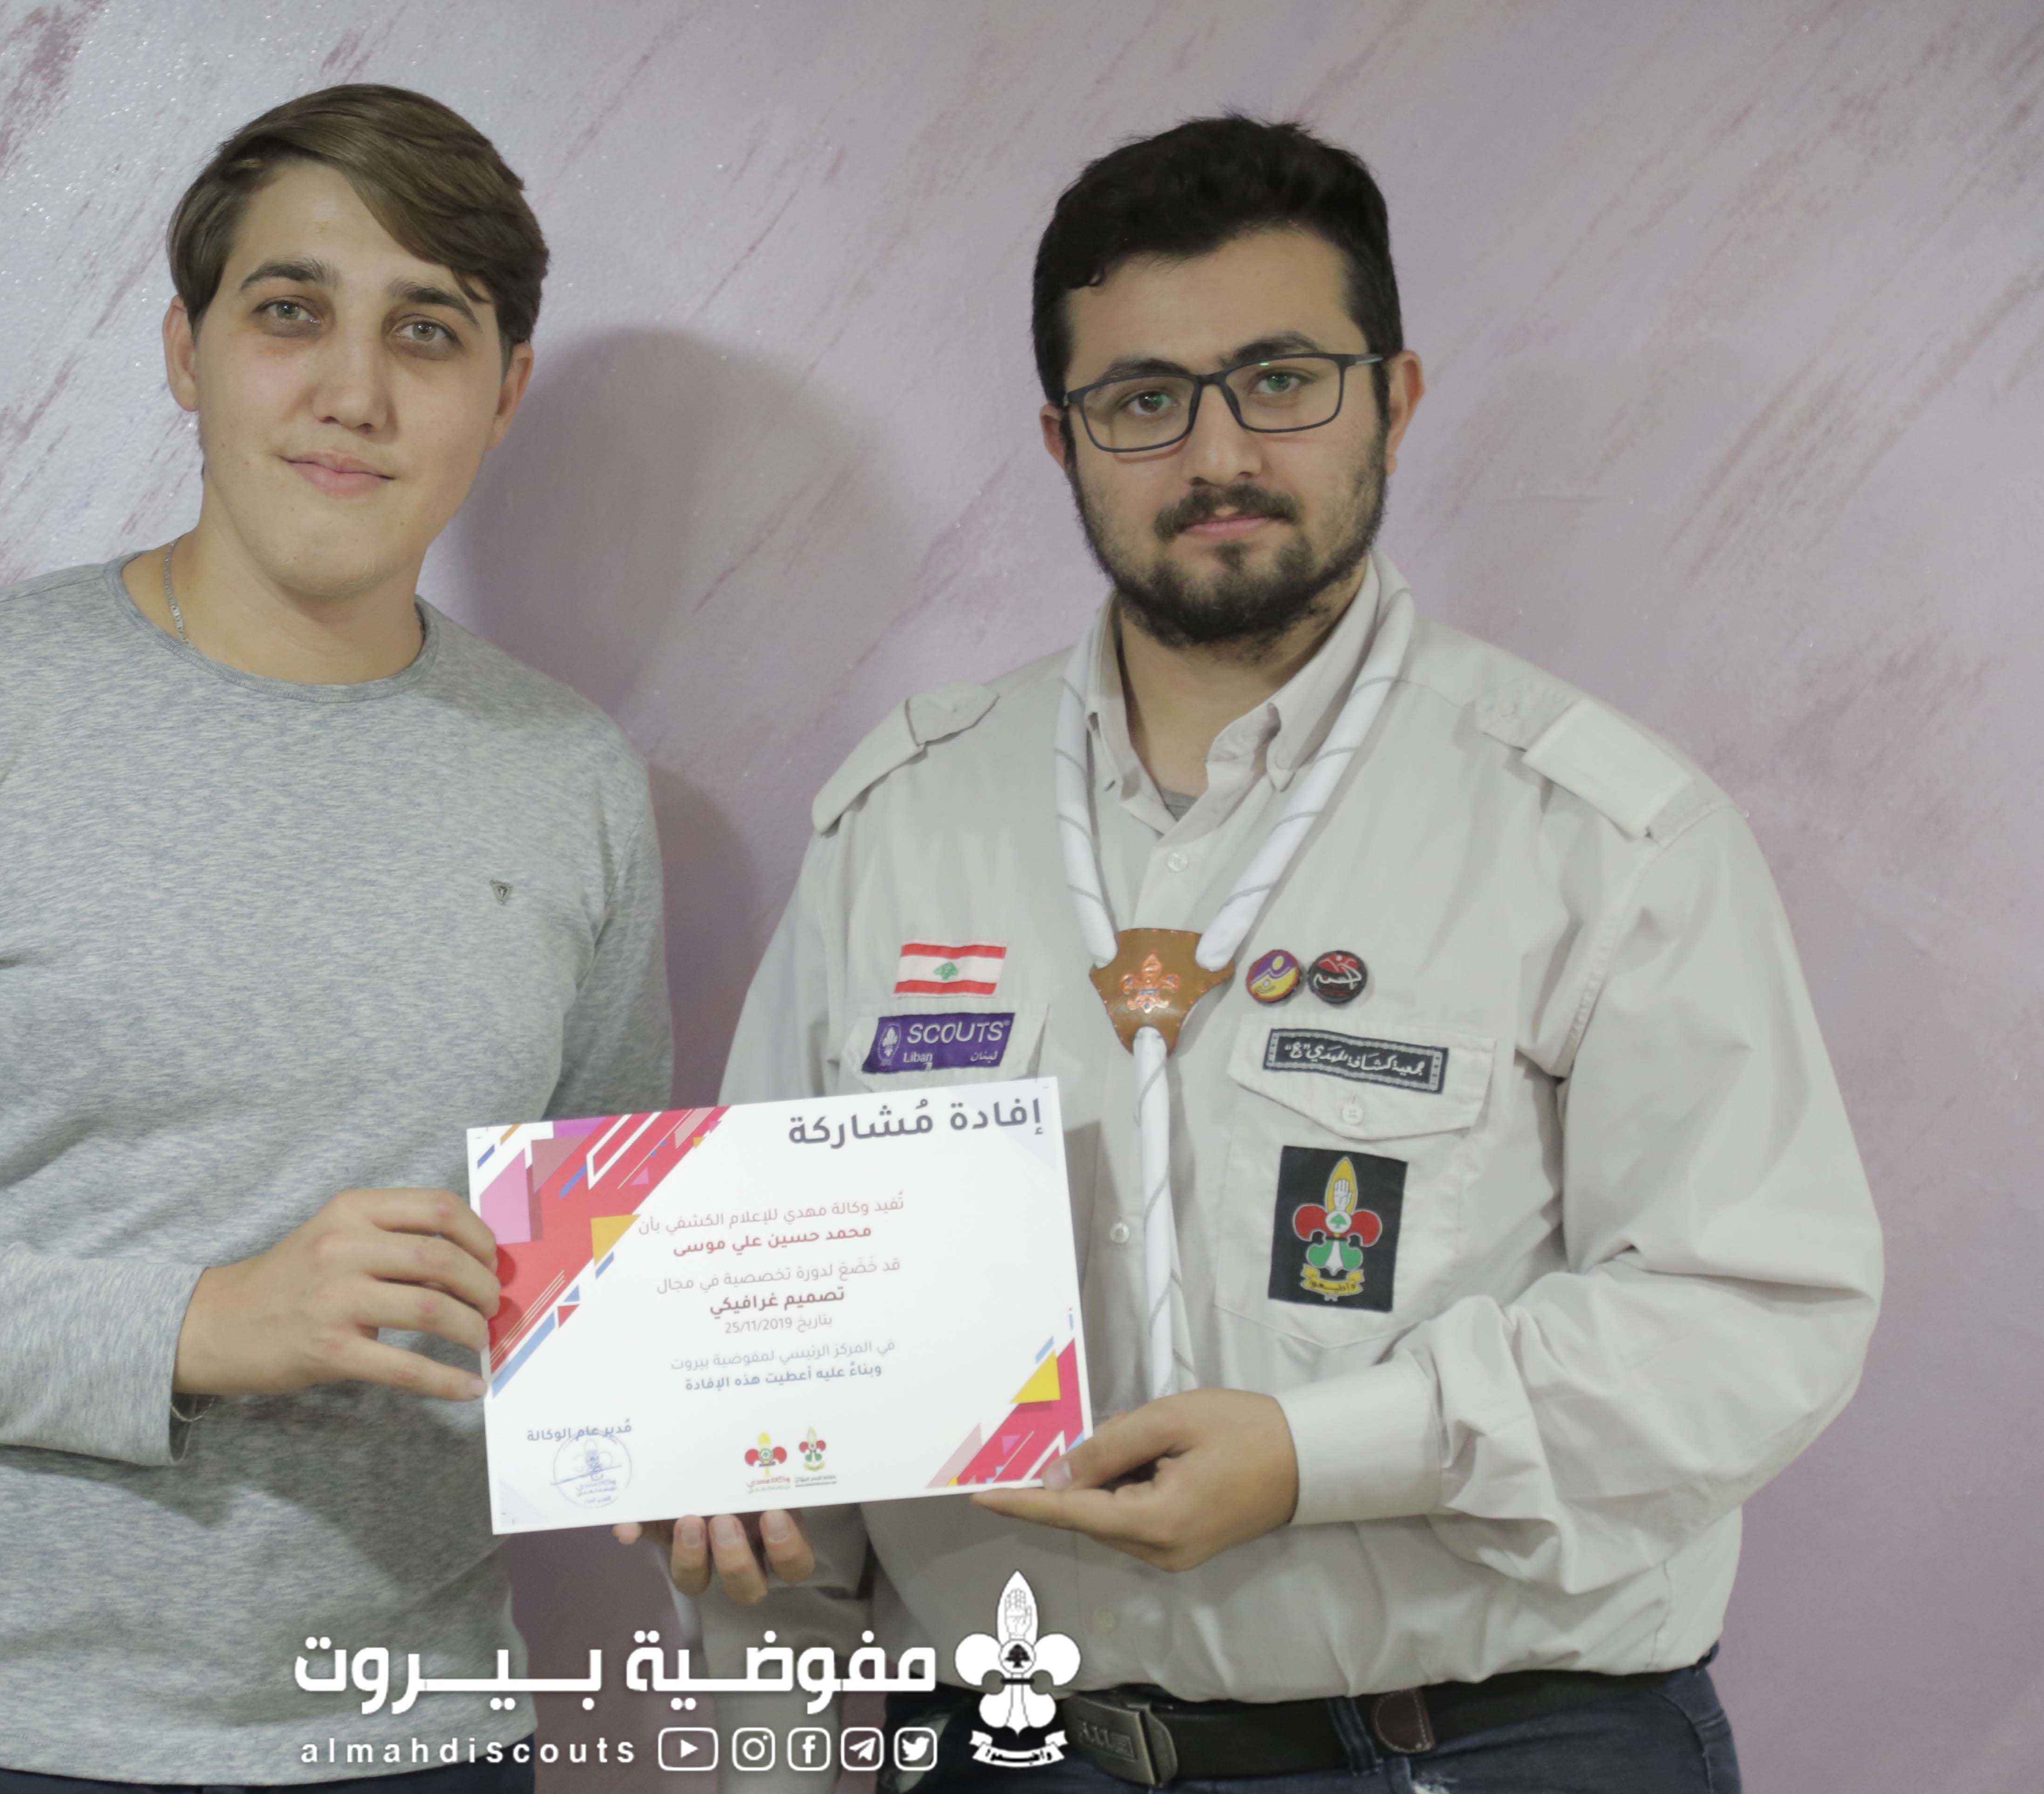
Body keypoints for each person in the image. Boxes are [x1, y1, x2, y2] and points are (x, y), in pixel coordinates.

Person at [650, 115, 1879, 1792]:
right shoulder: (899, 825)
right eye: (1144, 400)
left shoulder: (1602, 832)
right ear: (1064, 439)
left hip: (1487, 1748)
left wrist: (1321, 1455)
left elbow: (1754, 1319)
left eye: (1282, 380)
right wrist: (766, 1748)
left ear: (1396, 397)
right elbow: (759, 1387)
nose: (1217, 452)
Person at [0, 85, 670, 1792]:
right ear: (187, 353)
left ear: (505, 392)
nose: (354, 390)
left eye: (427, 328)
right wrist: (196, 1325)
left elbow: (593, 1287)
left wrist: (729, 1443)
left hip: (403, 1731)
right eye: (290, 312)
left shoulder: (574, 781)